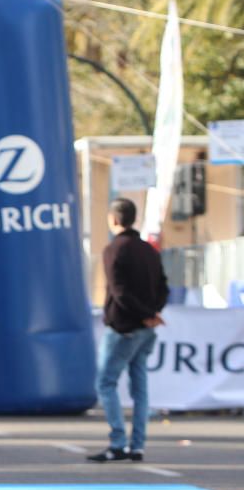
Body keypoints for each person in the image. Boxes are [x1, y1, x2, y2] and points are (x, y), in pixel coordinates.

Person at [88, 197, 168, 463]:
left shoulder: (114, 249)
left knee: (106, 382)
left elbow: (119, 292)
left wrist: (145, 314)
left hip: (123, 327)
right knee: (140, 387)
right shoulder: (149, 250)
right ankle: (138, 445)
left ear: (113, 220)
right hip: (146, 329)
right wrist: (153, 313)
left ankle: (118, 442)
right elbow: (163, 287)